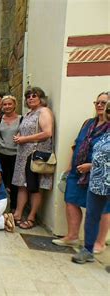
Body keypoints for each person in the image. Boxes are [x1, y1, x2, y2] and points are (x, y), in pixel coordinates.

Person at [53, 92, 109, 249]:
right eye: (97, 102)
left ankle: (99, 243)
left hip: (100, 174)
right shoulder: (88, 123)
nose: (99, 105)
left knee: (103, 208)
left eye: (103, 103)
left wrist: (91, 166)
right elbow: (76, 144)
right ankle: (72, 236)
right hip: (77, 171)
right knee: (71, 200)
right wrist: (70, 166)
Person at [72, 100, 110, 264]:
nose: (108, 114)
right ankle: (87, 250)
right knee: (92, 216)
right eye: (109, 111)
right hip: (98, 181)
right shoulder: (105, 133)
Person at [12, 86, 54, 229]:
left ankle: (31, 217)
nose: (30, 98)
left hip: (35, 156)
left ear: (41, 98)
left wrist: (24, 139)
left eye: (34, 96)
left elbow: (47, 132)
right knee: (22, 185)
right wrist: (19, 137)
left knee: (35, 186)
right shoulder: (29, 113)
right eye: (28, 96)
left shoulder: (44, 111)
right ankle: (17, 214)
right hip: (24, 154)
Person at [0, 95, 21, 212]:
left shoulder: (22, 119)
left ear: (14, 105)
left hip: (16, 154)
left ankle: (14, 207)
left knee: (14, 182)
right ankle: (1, 207)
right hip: (1, 153)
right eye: (4, 104)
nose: (7, 106)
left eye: (9, 104)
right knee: (2, 181)